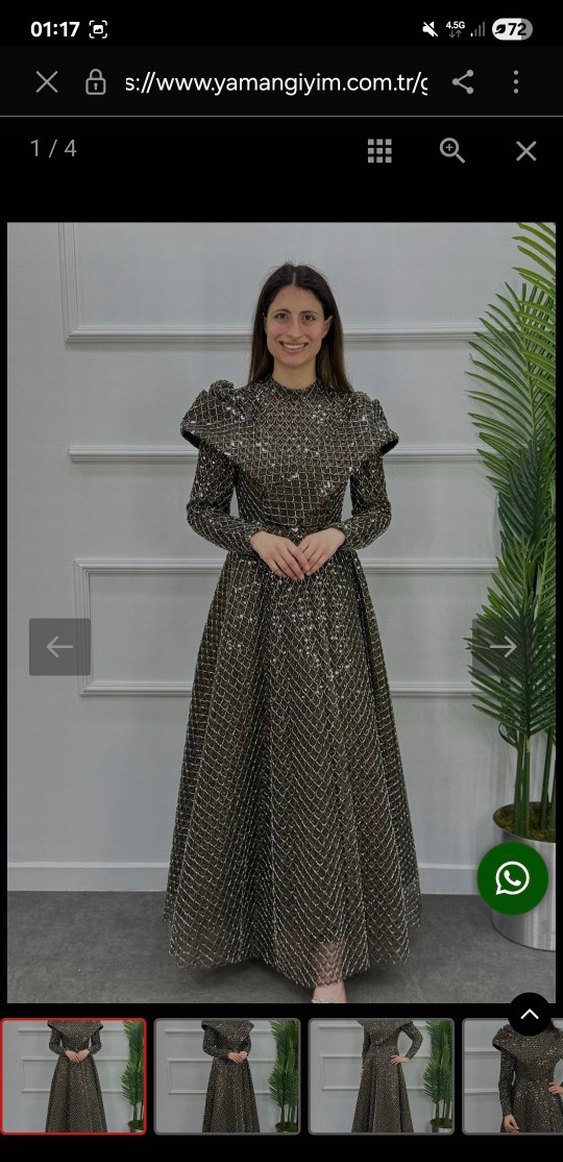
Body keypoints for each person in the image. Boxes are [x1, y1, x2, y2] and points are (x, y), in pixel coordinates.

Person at [163, 261, 421, 1003]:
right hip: (251, 605)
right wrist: (254, 537)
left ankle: (327, 957)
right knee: (246, 762)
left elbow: (376, 509)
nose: (295, 329)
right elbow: (201, 509)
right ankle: (245, 931)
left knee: (325, 771)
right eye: (282, 315)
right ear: (264, 324)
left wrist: (341, 533)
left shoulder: (356, 414)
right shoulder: (231, 411)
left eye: (309, 316)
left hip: (331, 607)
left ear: (327, 326)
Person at [492, 1020, 563, 1133]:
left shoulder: (557, 1036)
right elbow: (505, 1081)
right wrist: (507, 1113)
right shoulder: (511, 1035)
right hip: (520, 1105)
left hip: (548, 1106)